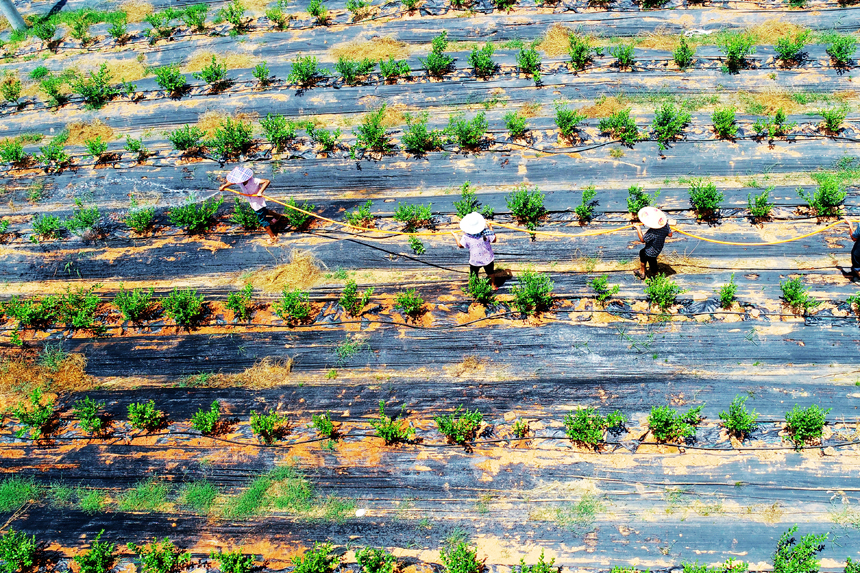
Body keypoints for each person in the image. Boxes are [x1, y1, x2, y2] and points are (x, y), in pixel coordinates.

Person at [219, 166, 281, 244]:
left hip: (257, 201)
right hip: (252, 201)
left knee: (263, 221)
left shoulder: (254, 181)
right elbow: (232, 182)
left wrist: (260, 192)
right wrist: (224, 186)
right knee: (263, 211)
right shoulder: (240, 181)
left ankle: (273, 237)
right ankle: (278, 216)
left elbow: (267, 181)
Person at [451, 212, 498, 289]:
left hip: (475, 260)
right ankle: (493, 285)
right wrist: (490, 227)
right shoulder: (486, 232)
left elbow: (460, 245)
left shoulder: (466, 237)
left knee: (474, 274)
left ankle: (474, 287)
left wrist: (455, 236)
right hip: (487, 258)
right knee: (490, 272)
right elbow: (494, 239)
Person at [633, 206, 673, 280]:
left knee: (653, 264)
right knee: (642, 253)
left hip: (651, 251)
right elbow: (670, 234)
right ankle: (642, 271)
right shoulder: (665, 225)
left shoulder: (652, 232)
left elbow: (642, 239)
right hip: (658, 248)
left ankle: (656, 277)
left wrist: (638, 228)